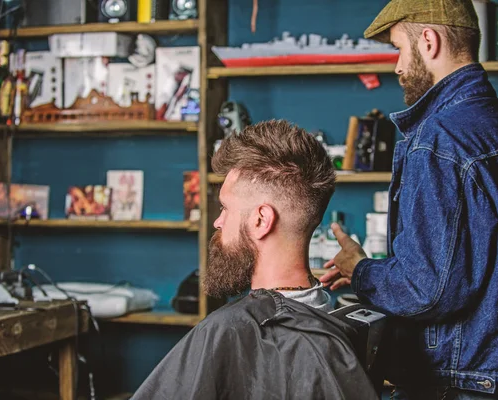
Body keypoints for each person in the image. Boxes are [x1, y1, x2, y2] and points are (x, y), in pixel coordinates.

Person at [320, 0, 498, 399]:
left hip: (457, 382)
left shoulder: (438, 138)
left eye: (398, 48)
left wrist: (360, 269)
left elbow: (424, 288)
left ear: (428, 41)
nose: (396, 66)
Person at [131, 120, 379, 400]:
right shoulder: (332, 319)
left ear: (261, 220)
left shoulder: (226, 330)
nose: (218, 221)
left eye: (225, 208)